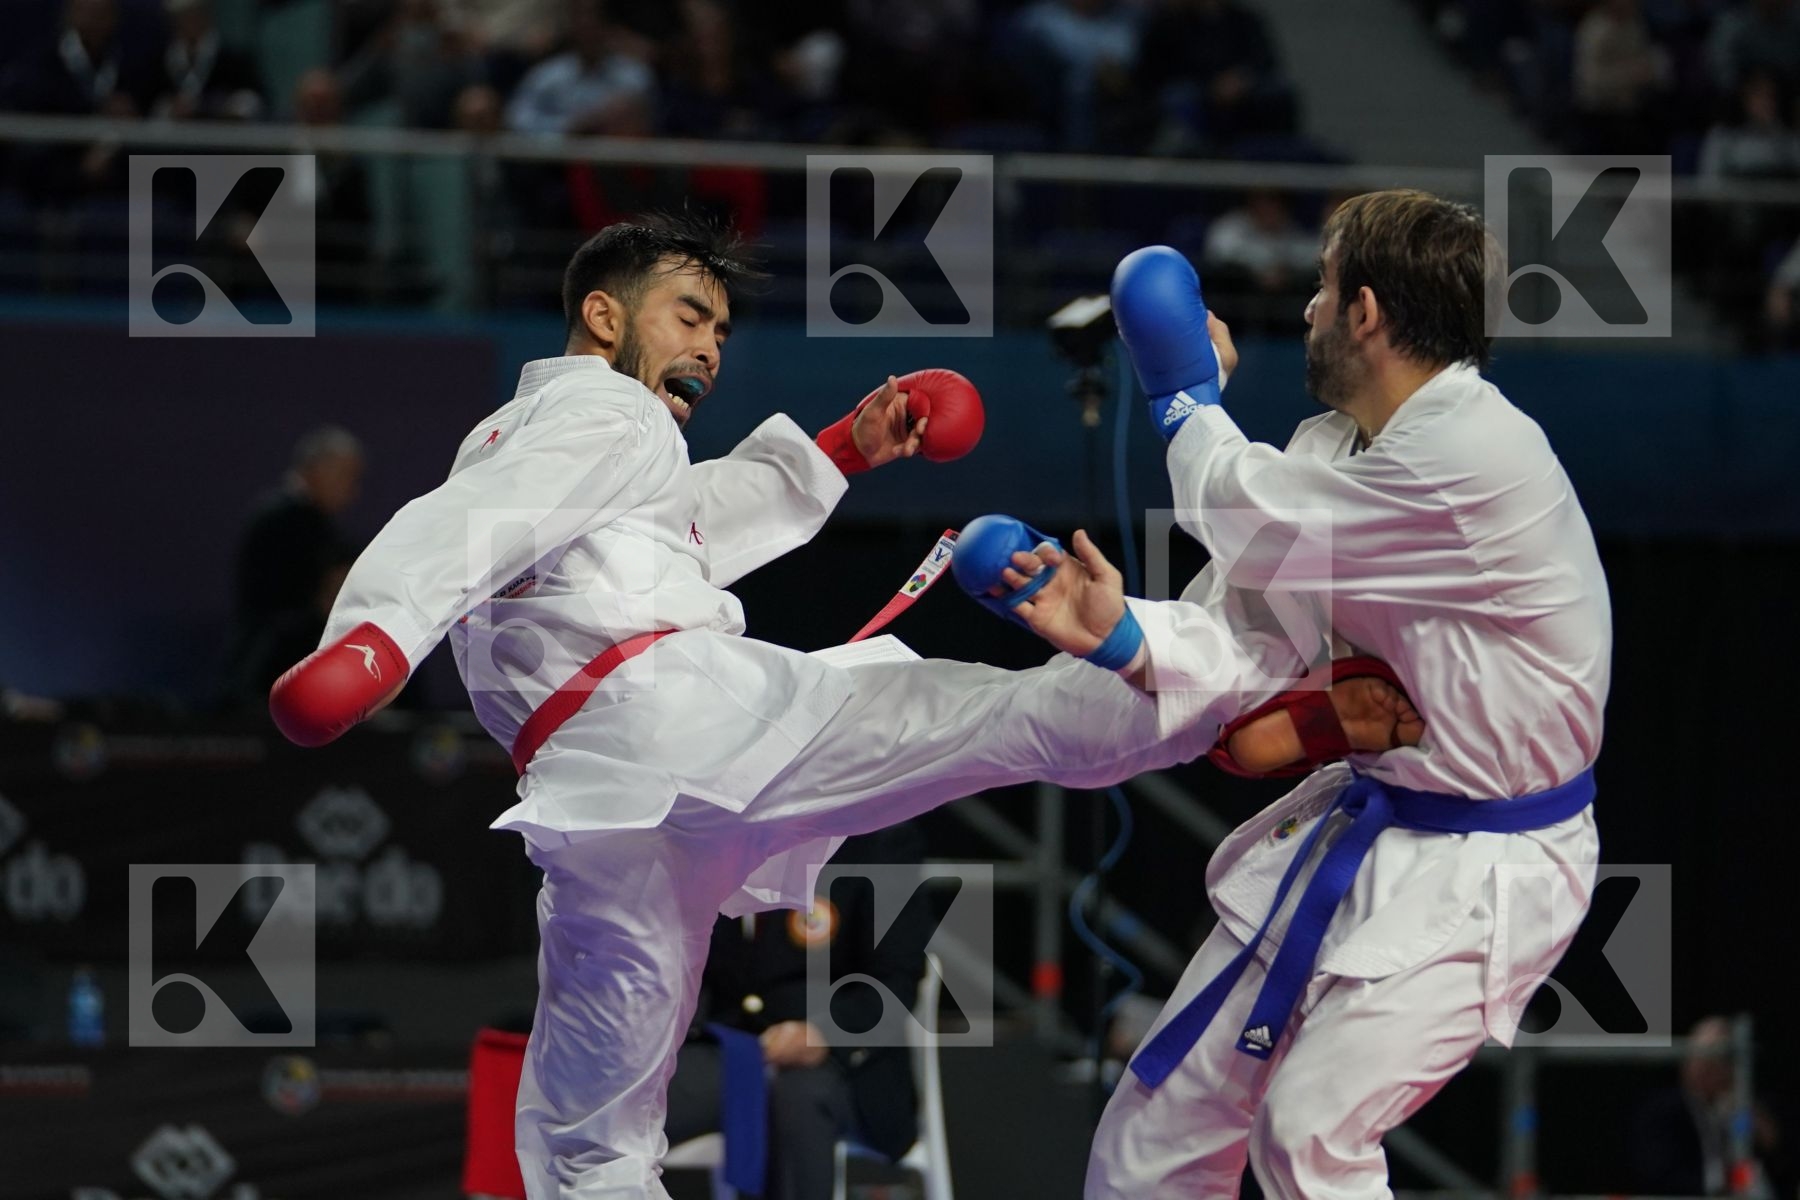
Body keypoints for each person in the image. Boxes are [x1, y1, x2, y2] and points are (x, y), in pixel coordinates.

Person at [266, 210, 1422, 1199]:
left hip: (601, 809)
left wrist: (841, 450)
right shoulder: (604, 417)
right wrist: (374, 639)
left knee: (590, 1133)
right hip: (693, 715)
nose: (709, 346)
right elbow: (464, 530)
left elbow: (674, 530)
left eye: (723, 330)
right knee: (1005, 719)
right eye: (689, 315)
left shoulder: (565, 444)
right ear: (604, 316)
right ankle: (1225, 668)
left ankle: (1221, 679)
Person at [977, 190, 1609, 1199]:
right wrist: (1120, 633)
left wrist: (1183, 394)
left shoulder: (1473, 454)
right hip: (1369, 823)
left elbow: (1251, 511)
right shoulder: (1338, 450)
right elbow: (1252, 628)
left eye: (1323, 286)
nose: (1309, 309)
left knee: (1310, 1134)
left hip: (1489, 863)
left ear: (1365, 311)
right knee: (1153, 1139)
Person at [665, 822, 930, 1200]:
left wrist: (824, 1034)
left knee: (797, 1097)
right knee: (617, 1100)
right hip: (728, 1052)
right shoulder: (715, 834)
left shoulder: (875, 836)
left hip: (842, 1063)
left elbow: (895, 980)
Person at [222, 426, 364, 706]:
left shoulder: (292, 519)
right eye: (347, 475)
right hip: (272, 674)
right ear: (318, 469)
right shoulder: (293, 523)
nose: (353, 489)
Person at [1630, 1015, 1792, 1197]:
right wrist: (1721, 1182)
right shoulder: (1663, 1112)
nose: (1704, 1067)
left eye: (1717, 1059)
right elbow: (1660, 1175)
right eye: (1699, 1057)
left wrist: (1761, 1126)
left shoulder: (1753, 1105)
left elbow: (1783, 1160)